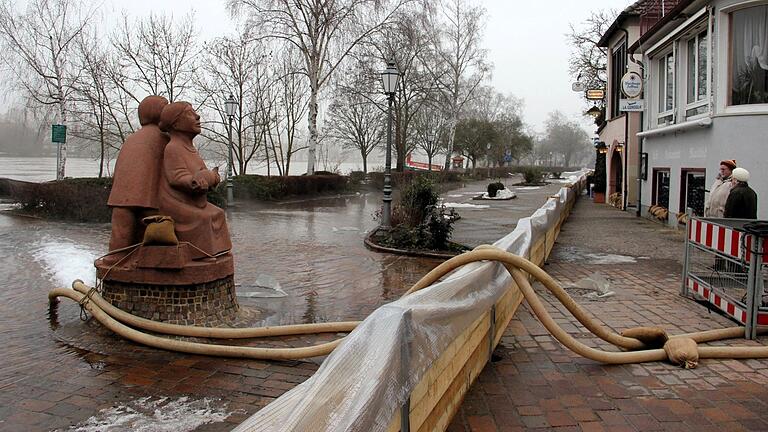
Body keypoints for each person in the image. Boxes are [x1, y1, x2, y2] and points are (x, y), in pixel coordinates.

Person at [157, 101, 232, 258]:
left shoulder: (191, 149)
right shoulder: (173, 148)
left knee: (218, 213)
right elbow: (176, 176)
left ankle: (218, 250)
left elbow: (202, 172)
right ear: (176, 124)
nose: (197, 116)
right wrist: (192, 181)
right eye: (190, 114)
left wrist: (212, 177)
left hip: (196, 202)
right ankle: (200, 252)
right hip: (177, 203)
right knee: (204, 219)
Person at [107, 95, 170, 251]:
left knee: (120, 239)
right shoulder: (164, 139)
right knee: (156, 236)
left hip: (121, 198)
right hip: (149, 198)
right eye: (166, 108)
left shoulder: (131, 139)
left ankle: (114, 267)